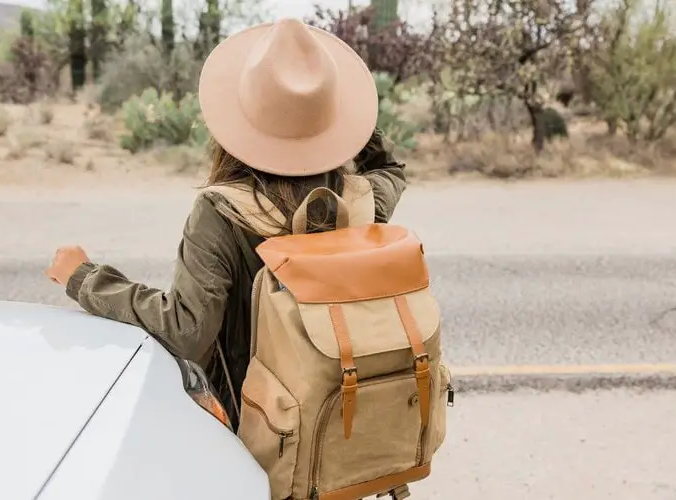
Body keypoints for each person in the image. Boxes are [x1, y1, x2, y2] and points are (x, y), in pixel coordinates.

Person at [45, 18, 407, 430]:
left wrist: (84, 278)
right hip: (340, 413)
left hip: (259, 421)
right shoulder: (358, 200)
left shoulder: (221, 213)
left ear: (240, 119)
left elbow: (186, 330)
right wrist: (337, 115)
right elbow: (391, 168)